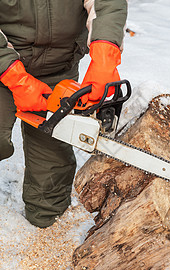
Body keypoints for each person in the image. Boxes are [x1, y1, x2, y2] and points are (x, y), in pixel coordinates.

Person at [0, 0, 127, 228]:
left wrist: (104, 57)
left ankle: (47, 225)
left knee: (52, 161)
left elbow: (107, 3)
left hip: (59, 68)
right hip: (3, 66)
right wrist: (14, 77)